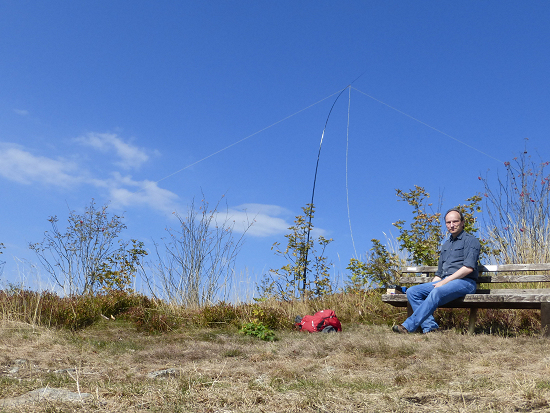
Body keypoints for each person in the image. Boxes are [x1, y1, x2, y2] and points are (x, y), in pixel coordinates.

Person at [392, 208, 481, 334]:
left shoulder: (471, 241)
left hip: (465, 282)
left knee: (438, 291)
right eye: (448, 222)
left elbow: (468, 268)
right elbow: (439, 274)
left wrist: (443, 283)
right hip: (446, 281)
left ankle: (407, 326)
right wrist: (432, 285)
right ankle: (430, 327)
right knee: (413, 291)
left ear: (462, 222)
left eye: (455, 221)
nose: (452, 225)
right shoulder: (446, 245)